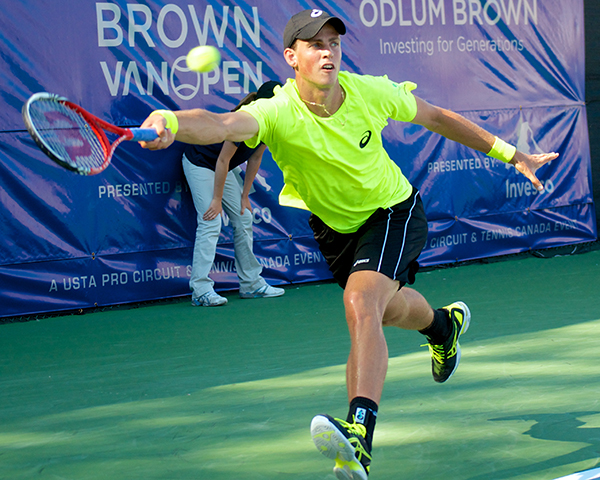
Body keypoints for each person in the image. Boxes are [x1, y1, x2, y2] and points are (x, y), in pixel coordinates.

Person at [139, 9, 559, 479]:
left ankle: (359, 435)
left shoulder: (368, 92)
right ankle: (443, 327)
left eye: (334, 43)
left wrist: (512, 153)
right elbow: (220, 126)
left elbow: (437, 118)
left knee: (361, 302)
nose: (327, 52)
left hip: (392, 210)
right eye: (315, 44)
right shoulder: (275, 111)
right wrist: (172, 121)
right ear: (291, 57)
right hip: (334, 228)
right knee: (388, 309)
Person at [181, 81, 285, 306]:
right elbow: (223, 159)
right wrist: (217, 200)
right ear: (265, 103)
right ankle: (200, 289)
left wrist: (244, 195)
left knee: (244, 216)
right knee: (211, 220)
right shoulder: (243, 120)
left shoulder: (270, 121)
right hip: (200, 162)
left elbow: (255, 158)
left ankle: (251, 284)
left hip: (222, 167)